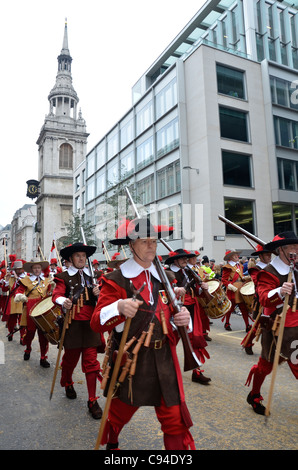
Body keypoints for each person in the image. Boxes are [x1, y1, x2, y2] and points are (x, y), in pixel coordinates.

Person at [90, 218, 196, 450]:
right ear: (131, 245)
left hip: (166, 358)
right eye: (144, 241)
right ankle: (112, 442)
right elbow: (96, 322)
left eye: (153, 240)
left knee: (175, 421)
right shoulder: (115, 280)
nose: (151, 245)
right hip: (133, 360)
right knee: (118, 414)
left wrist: (183, 320)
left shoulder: (167, 278)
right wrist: (118, 307)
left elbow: (174, 316)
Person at [245, 231, 298, 415]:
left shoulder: (296, 266)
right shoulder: (268, 273)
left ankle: (253, 393)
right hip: (281, 327)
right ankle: (254, 394)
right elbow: (264, 298)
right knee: (266, 366)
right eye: (292, 247)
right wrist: (281, 291)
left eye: (297, 247)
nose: (296, 250)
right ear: (281, 250)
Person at [52, 242, 104, 419]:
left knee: (91, 363)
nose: (81, 258)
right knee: (69, 361)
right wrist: (63, 301)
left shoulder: (96, 276)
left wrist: (99, 294)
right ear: (71, 259)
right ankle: (67, 381)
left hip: (91, 325)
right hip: (72, 324)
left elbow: (105, 298)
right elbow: (56, 295)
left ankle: (92, 400)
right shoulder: (63, 277)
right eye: (77, 256)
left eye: (83, 255)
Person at [165, 249, 211, 384]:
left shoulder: (189, 271)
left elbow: (196, 290)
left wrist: (203, 287)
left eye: (186, 258)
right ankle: (164, 368)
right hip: (175, 311)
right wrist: (175, 290)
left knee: (194, 339)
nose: (185, 260)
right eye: (182, 258)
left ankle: (196, 372)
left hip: (191, 308)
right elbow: (162, 292)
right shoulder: (167, 273)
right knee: (170, 342)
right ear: (175, 261)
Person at [14, 260, 52, 367]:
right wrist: (21, 296)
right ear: (31, 269)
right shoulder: (25, 280)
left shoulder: (46, 281)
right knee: (30, 333)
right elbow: (19, 291)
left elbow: (49, 293)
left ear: (41, 269)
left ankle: (43, 357)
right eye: (35, 268)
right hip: (30, 310)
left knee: (43, 335)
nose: (37, 270)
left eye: (38, 268)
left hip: (43, 311)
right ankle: (28, 349)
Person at [241, 245, 273, 355]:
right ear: (260, 255)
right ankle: (247, 343)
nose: (269, 256)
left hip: (276, 299)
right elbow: (258, 283)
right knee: (258, 326)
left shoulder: (273, 266)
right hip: (262, 301)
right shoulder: (255, 270)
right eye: (267, 254)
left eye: (270, 254)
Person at [221, 250, 251, 331]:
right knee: (231, 308)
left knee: (243, 307)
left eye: (237, 255)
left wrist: (247, 278)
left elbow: (241, 277)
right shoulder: (227, 267)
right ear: (230, 257)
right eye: (235, 255)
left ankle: (247, 325)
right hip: (233, 289)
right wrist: (229, 286)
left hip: (240, 287)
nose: (237, 256)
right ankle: (227, 323)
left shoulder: (240, 265)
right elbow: (224, 280)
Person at [2, 259, 26, 343]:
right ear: (14, 270)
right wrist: (7, 280)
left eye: (20, 269)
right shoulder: (10, 278)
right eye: (17, 269)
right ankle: (10, 332)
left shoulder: (26, 278)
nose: (19, 270)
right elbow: (4, 289)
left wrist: (18, 279)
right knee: (11, 320)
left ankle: (22, 337)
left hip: (22, 300)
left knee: (22, 321)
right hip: (12, 301)